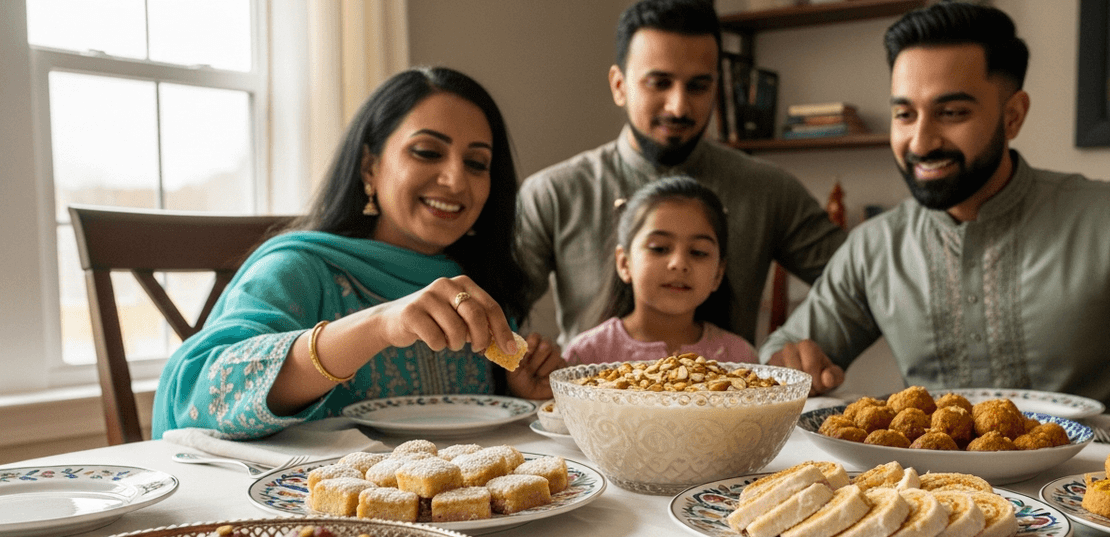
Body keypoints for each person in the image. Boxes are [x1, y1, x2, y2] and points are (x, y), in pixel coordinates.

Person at [761, 2, 1110, 445]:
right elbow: (783, 358)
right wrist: (790, 362)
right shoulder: (874, 247)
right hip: (933, 503)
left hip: (1101, 496)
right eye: (904, 114)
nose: (920, 141)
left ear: (1013, 116)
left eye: (951, 113)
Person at [153, 67, 564, 439]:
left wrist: (521, 394)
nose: (456, 180)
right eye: (427, 152)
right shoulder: (298, 270)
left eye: (476, 163)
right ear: (370, 166)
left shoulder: (477, 286)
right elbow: (199, 395)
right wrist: (379, 326)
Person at [515, 0, 846, 347]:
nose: (678, 107)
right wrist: (525, 359)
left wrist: (790, 344)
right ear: (619, 85)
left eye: (698, 86)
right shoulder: (552, 194)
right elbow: (499, 304)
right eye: (659, 83)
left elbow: (858, 280)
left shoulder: (768, 189)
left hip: (733, 382)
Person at [563, 176, 757, 364]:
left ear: (718, 274)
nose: (679, 263)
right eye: (659, 248)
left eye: (698, 252)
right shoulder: (585, 356)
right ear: (624, 263)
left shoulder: (741, 358)